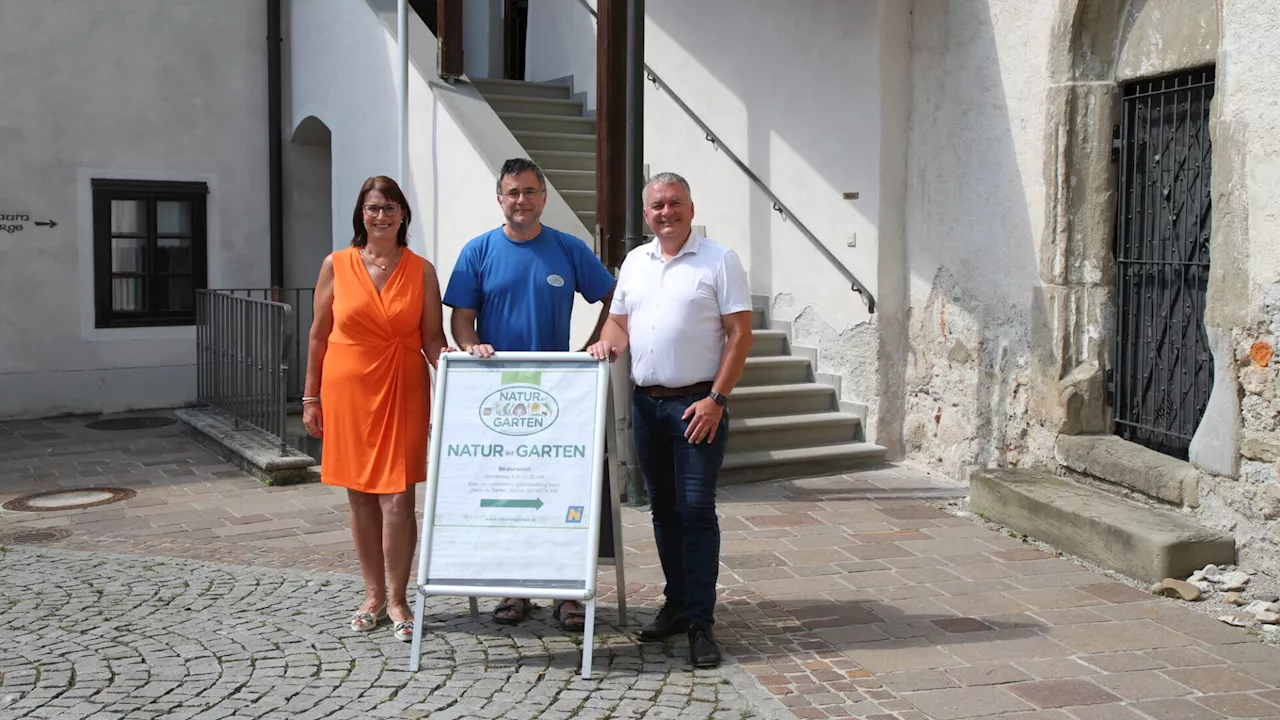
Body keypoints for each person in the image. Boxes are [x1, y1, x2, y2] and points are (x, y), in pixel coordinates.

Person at [586, 172, 753, 668]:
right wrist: (605, 343)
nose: (667, 212)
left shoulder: (719, 260)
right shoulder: (635, 262)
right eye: (657, 205)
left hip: (698, 405)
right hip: (647, 404)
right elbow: (619, 322)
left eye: (675, 203)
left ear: (690, 207)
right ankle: (677, 604)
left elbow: (739, 334)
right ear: (646, 214)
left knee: (696, 510)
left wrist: (717, 399)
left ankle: (702, 622)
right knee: (662, 509)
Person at [442, 157, 616, 632]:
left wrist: (592, 345)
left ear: (544, 197)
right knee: (509, 493)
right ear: (500, 199)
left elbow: (612, 301)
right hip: (495, 398)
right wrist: (468, 344)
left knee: (562, 494)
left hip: (559, 396)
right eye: (513, 192)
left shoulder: (569, 249)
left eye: (530, 191)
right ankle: (514, 588)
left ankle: (566, 594)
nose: (522, 200)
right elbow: (461, 316)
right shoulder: (478, 251)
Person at [302, 175, 448, 643]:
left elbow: (432, 339)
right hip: (346, 389)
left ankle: (399, 597)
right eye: (372, 208)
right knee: (360, 496)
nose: (381, 215)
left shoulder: (421, 269)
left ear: (403, 213)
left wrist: (462, 374)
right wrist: (310, 396)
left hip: (402, 386)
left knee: (399, 500)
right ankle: (371, 595)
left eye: (389, 207)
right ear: (360, 215)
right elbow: (318, 335)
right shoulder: (335, 264)